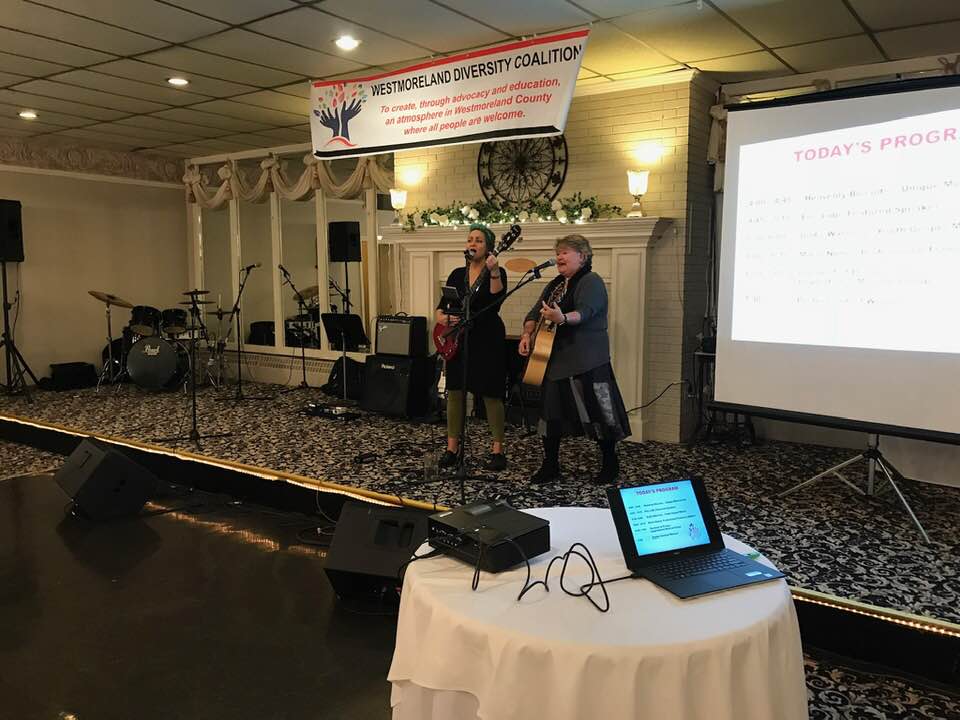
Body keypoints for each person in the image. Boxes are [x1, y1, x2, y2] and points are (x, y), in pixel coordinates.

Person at [518, 233, 630, 484]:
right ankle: (550, 465)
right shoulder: (556, 284)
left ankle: (610, 463)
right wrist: (527, 333)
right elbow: (535, 311)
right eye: (558, 252)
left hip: (588, 359)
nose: (559, 257)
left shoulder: (592, 281)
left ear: (583, 256)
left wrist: (563, 319)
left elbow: (586, 313)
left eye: (566, 252)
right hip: (556, 360)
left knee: (601, 413)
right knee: (551, 414)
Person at [435, 224, 508, 472]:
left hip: (488, 338)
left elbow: (497, 301)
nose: (472, 243)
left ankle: (497, 451)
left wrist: (495, 271)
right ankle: (452, 448)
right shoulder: (457, 274)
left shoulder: (496, 271)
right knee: (455, 391)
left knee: (490, 393)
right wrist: (443, 318)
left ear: (487, 247)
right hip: (460, 338)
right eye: (470, 239)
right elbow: (441, 307)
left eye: (478, 240)